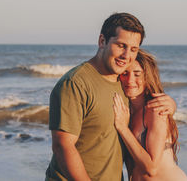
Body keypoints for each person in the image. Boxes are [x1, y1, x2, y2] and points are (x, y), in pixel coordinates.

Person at [46, 13, 176, 181]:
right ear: (102, 41)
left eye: (133, 49)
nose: (126, 55)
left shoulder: (122, 81)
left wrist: (171, 105)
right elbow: (62, 146)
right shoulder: (75, 83)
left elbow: (143, 107)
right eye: (121, 45)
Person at [113, 49, 187, 181]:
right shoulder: (125, 110)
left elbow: (151, 168)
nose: (130, 80)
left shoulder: (155, 110)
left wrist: (123, 128)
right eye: (125, 73)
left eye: (137, 74)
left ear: (147, 77)